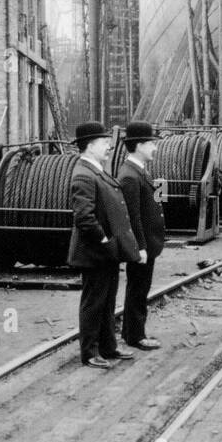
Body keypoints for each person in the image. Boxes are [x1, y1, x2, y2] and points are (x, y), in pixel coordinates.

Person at [68, 121, 141, 369]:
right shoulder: (83, 174)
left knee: (108, 301)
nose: (109, 146)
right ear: (89, 146)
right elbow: (84, 218)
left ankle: (108, 347)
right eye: (104, 143)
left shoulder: (97, 169)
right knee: (93, 303)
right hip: (95, 253)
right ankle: (89, 353)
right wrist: (104, 240)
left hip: (106, 253)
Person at [117, 120, 166, 351]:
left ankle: (131, 332)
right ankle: (136, 336)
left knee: (140, 288)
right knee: (138, 289)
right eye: (151, 143)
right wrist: (140, 248)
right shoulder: (129, 176)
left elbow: (151, 205)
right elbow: (132, 217)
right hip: (142, 246)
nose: (155, 148)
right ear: (138, 145)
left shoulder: (139, 171)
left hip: (148, 244)